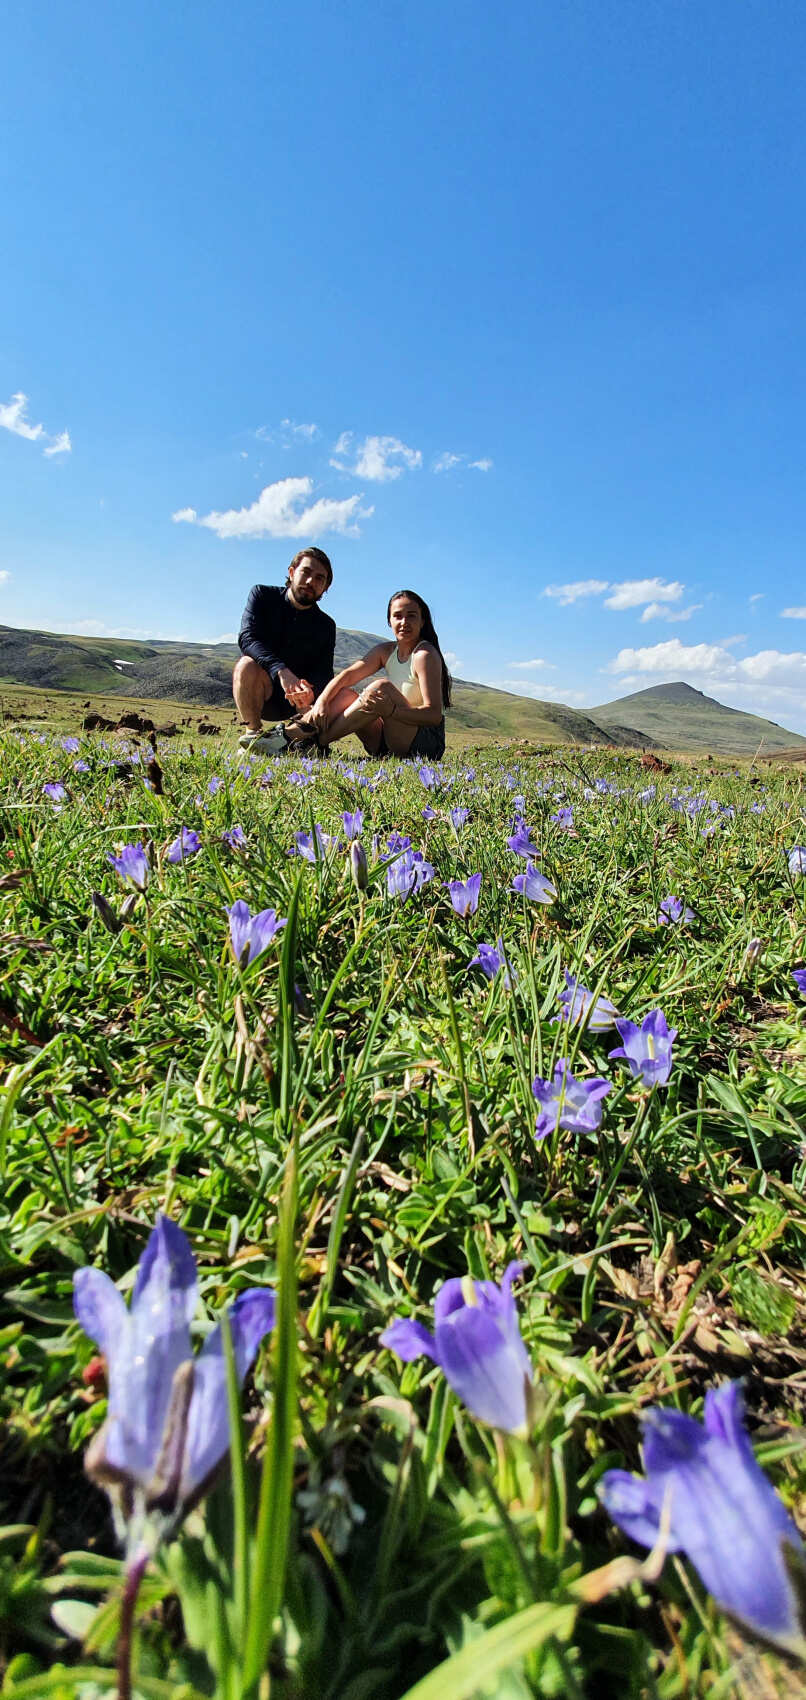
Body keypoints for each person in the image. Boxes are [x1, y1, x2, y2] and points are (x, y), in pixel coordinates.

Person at [282, 588, 451, 759]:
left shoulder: (424, 655)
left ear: (422, 621)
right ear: (389, 621)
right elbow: (347, 676)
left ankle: (305, 740)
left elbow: (433, 715)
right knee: (346, 694)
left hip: (425, 745)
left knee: (381, 687)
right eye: (398, 616)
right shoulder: (386, 651)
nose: (404, 622)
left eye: (412, 615)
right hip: (387, 742)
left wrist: (392, 711)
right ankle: (296, 736)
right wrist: (322, 701)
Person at [233, 548, 336, 750]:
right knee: (246, 664)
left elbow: (325, 671)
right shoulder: (262, 596)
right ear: (291, 572)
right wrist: (281, 671)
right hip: (262, 691)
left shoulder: (326, 625)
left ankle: (296, 741)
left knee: (338, 694)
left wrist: (309, 691)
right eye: (306, 572)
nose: (310, 582)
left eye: (319, 579)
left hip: (299, 704)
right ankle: (253, 737)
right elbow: (247, 638)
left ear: (325, 588)